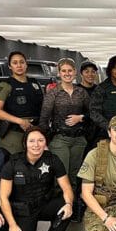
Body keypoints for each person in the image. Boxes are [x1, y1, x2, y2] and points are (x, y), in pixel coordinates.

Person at [0, 126, 75, 231]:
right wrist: (12, 224)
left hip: (45, 204)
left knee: (66, 206)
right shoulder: (13, 163)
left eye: (40, 140)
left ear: (45, 142)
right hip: (23, 211)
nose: (36, 145)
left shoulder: (53, 159)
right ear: (25, 143)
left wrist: (69, 204)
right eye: (32, 141)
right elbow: (3, 197)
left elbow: (67, 188)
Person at [39, 57, 89, 221]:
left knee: (75, 176)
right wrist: (42, 142)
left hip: (78, 140)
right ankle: (60, 208)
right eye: (64, 71)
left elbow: (92, 114)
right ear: (59, 73)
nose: (67, 74)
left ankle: (72, 208)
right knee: (62, 175)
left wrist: (80, 117)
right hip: (60, 139)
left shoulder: (82, 92)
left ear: (75, 72)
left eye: (70, 71)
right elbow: (44, 119)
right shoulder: (53, 93)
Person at [0, 51, 44, 154]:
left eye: (21, 62)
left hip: (35, 132)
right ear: (10, 66)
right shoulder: (6, 85)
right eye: (15, 63)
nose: (19, 65)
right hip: (14, 133)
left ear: (26, 64)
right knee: (15, 165)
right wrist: (20, 121)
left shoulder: (35, 83)